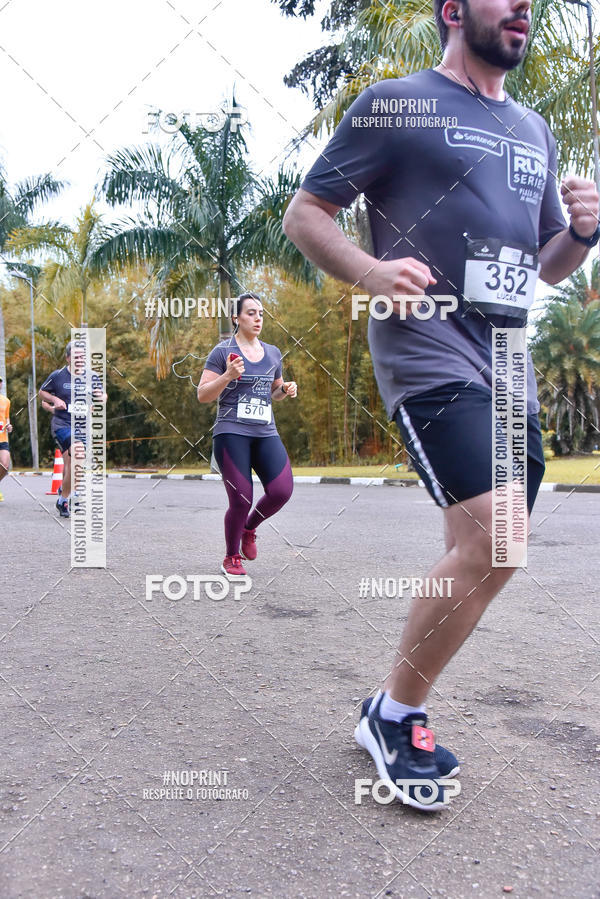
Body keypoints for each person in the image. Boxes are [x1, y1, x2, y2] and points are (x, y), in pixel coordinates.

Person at [283, 0, 599, 810]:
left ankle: (387, 709)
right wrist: (370, 272)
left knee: (498, 547)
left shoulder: (533, 129)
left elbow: (544, 268)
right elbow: (305, 212)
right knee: (495, 533)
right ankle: (398, 715)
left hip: (506, 360)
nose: (525, 6)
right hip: (428, 351)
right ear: (454, 11)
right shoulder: (398, 102)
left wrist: (583, 233)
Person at [198, 293, 297, 576]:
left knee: (282, 491)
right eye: (251, 313)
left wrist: (285, 389)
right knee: (241, 498)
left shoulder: (273, 352)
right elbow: (203, 395)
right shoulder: (221, 352)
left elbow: (274, 392)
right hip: (231, 433)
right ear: (236, 317)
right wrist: (227, 375)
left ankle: (249, 528)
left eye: (261, 314)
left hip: (265, 432)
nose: (258, 319)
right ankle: (231, 556)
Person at [39, 341, 106, 518]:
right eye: (76, 356)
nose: (80, 360)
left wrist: (100, 397)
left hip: (82, 426)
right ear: (68, 358)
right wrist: (55, 401)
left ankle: (64, 496)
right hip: (62, 424)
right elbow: (42, 393)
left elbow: (103, 396)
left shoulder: (92, 376)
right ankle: (70, 495)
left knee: (75, 462)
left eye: (83, 356)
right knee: (76, 455)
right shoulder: (58, 375)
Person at [0, 376, 13, 501]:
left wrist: (8, 425)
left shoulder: (6, 401)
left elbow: (6, 417)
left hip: (2, 439)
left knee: (5, 465)